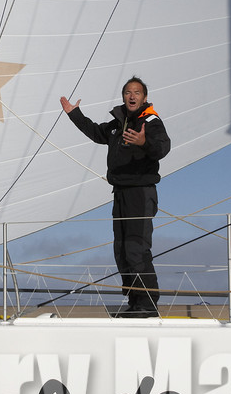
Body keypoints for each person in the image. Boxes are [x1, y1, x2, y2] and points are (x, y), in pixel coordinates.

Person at [60, 78, 171, 318]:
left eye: (137, 93)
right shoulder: (118, 124)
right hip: (120, 192)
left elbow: (162, 148)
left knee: (136, 247)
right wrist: (74, 114)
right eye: (128, 92)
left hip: (140, 192)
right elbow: (97, 133)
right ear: (123, 97)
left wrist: (144, 142)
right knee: (121, 249)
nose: (132, 96)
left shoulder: (150, 121)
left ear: (144, 97)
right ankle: (135, 301)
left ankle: (147, 303)